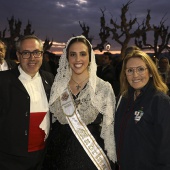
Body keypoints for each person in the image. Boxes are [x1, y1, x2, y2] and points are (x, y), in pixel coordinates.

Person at [42, 35, 117, 170]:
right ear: (67, 57)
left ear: (90, 57)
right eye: (73, 54)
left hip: (92, 161)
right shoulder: (57, 87)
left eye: (83, 54)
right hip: (58, 159)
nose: (78, 59)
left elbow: (109, 131)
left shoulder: (104, 88)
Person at [0, 35, 54, 169]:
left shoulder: (50, 79)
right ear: (18, 55)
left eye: (36, 52)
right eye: (26, 53)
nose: (32, 58)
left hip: (42, 158)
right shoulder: (3, 80)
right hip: (9, 160)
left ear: (42, 54)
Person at [114, 49, 170, 170]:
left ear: (150, 72)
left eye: (140, 69)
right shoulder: (123, 100)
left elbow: (166, 150)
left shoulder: (160, 102)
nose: (135, 75)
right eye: (130, 70)